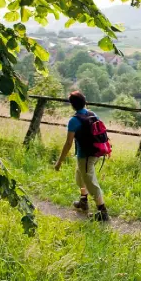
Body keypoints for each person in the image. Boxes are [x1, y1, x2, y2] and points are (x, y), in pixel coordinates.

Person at [54, 91, 109, 222]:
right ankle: (83, 201)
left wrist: (59, 162)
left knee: (90, 182)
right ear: (85, 102)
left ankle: (103, 212)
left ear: (72, 105)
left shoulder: (74, 121)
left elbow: (68, 143)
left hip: (86, 156)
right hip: (95, 153)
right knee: (80, 176)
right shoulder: (93, 114)